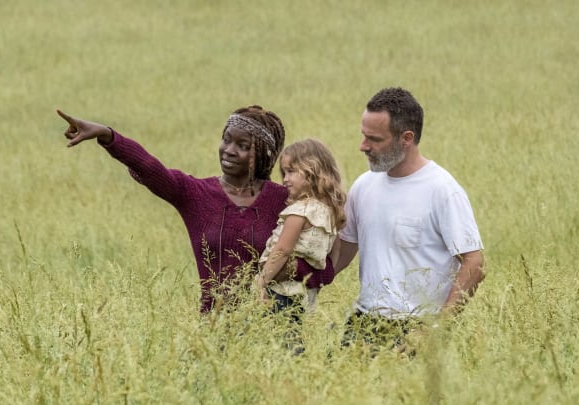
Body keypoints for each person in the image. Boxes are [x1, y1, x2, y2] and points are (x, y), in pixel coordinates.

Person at [57, 106, 333, 313]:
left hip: (275, 325)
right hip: (214, 328)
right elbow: (150, 168)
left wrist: (287, 271)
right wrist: (108, 136)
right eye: (227, 139)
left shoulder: (286, 201)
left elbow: (323, 265)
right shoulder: (196, 195)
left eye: (243, 146)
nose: (229, 150)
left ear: (262, 154)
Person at [334, 87, 485, 351]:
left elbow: (474, 263)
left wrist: (436, 330)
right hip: (362, 323)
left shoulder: (442, 190)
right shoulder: (363, 186)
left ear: (406, 138)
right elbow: (341, 255)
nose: (363, 146)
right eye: (363, 136)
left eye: (374, 139)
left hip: (417, 329)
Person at [255, 139, 346, 314]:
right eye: (284, 173)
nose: (285, 180)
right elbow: (336, 249)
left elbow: (282, 250)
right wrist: (323, 276)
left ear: (313, 171)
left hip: (280, 292)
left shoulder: (300, 211)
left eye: (290, 171)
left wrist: (261, 283)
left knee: (276, 338)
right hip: (305, 295)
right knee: (294, 337)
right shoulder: (329, 212)